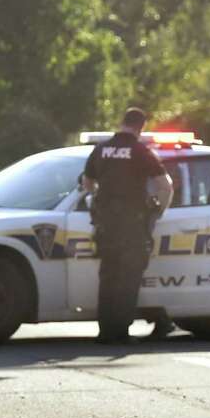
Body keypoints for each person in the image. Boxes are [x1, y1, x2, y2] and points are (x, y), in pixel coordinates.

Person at [81, 107, 173, 344]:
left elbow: (87, 182)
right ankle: (120, 332)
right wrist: (157, 211)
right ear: (141, 127)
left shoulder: (101, 149)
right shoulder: (140, 151)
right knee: (128, 278)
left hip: (106, 224)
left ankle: (105, 331)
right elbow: (165, 185)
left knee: (108, 276)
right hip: (132, 224)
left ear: (122, 122)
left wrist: (97, 201)